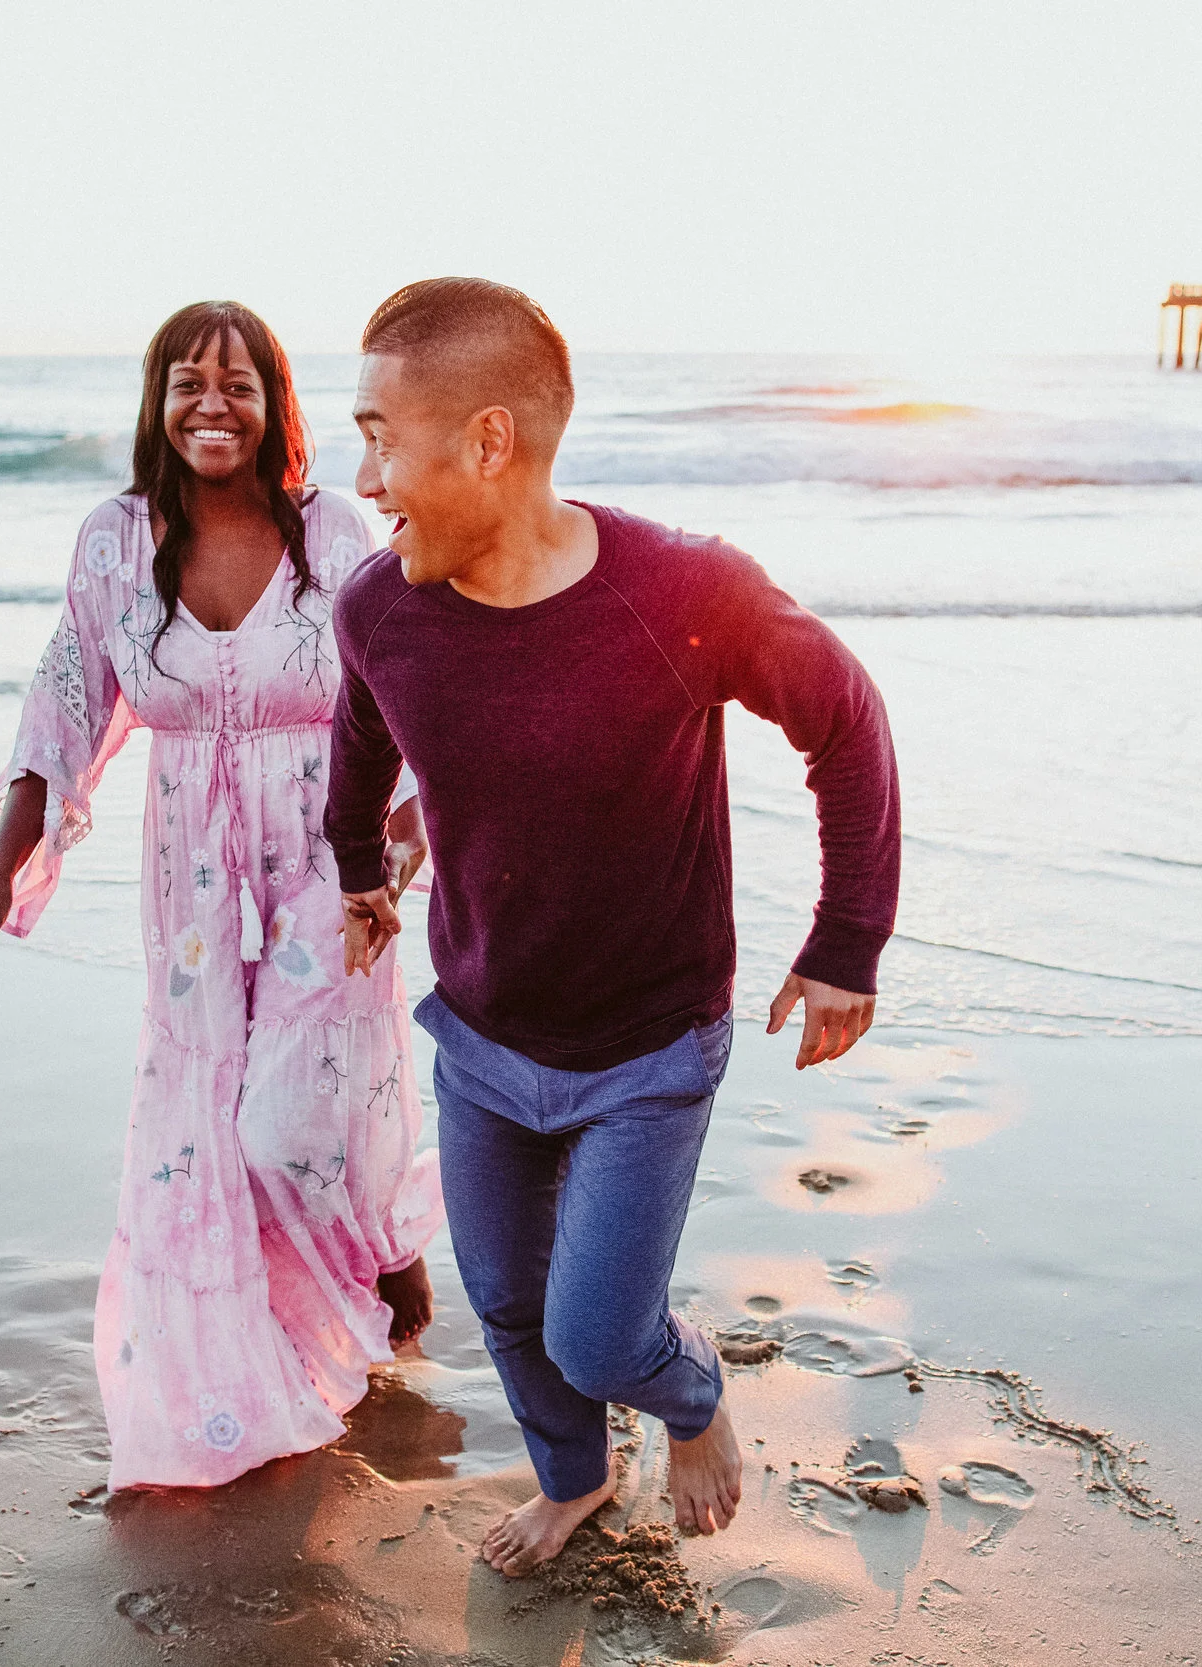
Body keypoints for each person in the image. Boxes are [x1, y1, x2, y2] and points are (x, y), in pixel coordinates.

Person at [324, 278, 900, 1572]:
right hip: (479, 1034)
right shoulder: (380, 610)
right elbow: (358, 742)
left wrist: (845, 940)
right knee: (511, 1308)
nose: (363, 474)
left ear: (488, 439)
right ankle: (576, 1476)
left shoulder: (681, 592)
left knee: (599, 1333)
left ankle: (690, 1395)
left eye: (378, 435)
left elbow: (846, 721)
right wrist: (359, 865)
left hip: (648, 1047)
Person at [0, 301, 442, 1491]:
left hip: (334, 848)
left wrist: (423, 823)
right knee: (211, 1117)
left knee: (294, 1113)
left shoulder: (334, 528)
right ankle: (280, 1333)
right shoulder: (114, 540)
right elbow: (61, 705)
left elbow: (412, 668)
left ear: (276, 406)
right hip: (192, 875)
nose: (212, 405)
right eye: (187, 384)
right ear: (158, 404)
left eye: (239, 385)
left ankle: (379, 1247)